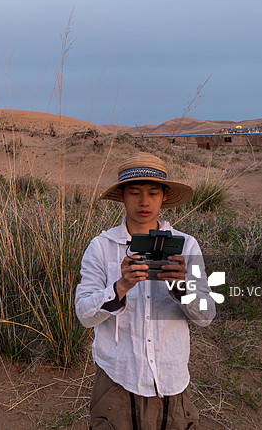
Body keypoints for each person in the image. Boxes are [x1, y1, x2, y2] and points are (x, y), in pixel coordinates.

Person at [75, 152, 216, 430]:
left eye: (153, 192)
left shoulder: (187, 246)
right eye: (135, 192)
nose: (144, 202)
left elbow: (206, 315)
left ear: (164, 196)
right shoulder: (101, 247)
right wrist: (120, 287)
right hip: (117, 378)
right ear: (122, 196)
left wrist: (181, 288)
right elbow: (83, 314)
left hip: (172, 380)